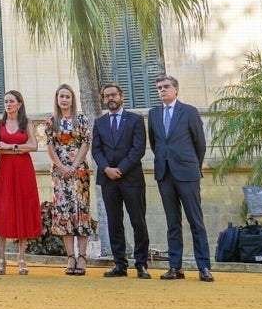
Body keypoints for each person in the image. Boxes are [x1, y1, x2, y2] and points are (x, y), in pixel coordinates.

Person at [148, 75, 214, 282]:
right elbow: (155, 143)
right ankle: (175, 267)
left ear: (176, 89)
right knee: (172, 222)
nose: (162, 90)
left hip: (187, 173)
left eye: (166, 87)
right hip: (164, 174)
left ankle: (203, 267)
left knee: (196, 221)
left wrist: (193, 166)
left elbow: (199, 143)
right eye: (159, 88)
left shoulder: (189, 112)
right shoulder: (153, 114)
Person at [92, 83, 151, 279]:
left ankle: (141, 264)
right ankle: (120, 264)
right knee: (114, 223)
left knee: (138, 221)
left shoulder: (135, 119)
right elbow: (96, 150)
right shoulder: (99, 123)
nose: (110, 98)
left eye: (113, 95)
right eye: (106, 96)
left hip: (131, 178)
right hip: (108, 180)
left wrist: (121, 168)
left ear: (121, 96)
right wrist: (107, 169)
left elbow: (138, 148)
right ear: (103, 99)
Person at [0, 90, 42, 276]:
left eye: (12, 101)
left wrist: (10, 147)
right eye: (6, 101)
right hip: (5, 170)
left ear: (19, 104)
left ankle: (21, 258)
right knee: (4, 209)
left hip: (24, 171)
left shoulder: (26, 123)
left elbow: (34, 145)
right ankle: (1, 258)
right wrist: (19, 148)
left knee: (23, 209)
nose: (8, 104)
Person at [44, 83, 92, 276]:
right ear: (57, 99)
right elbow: (49, 146)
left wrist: (73, 166)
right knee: (64, 213)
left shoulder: (80, 119)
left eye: (67, 96)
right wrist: (61, 167)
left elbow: (86, 143)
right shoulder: (51, 120)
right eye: (61, 96)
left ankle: (82, 257)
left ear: (72, 100)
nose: (64, 99)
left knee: (80, 211)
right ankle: (70, 257)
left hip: (79, 172)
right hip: (59, 172)